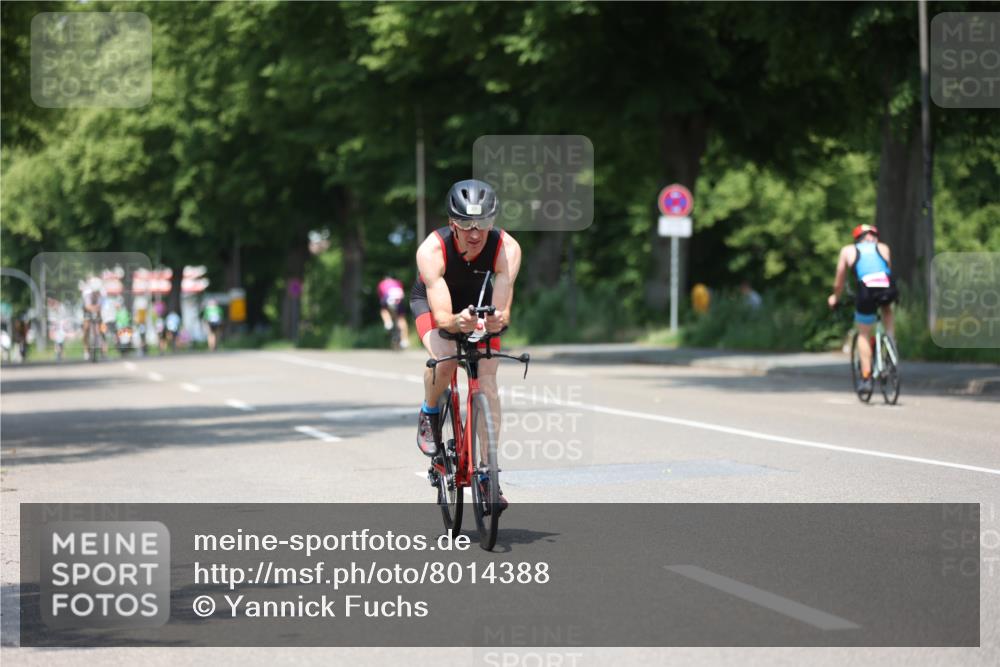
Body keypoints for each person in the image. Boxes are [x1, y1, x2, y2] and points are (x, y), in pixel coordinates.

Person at [410, 180, 522, 491]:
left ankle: (488, 470)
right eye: (465, 224)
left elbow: (502, 312)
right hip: (436, 303)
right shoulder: (431, 250)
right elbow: (444, 318)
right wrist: (457, 322)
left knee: (487, 381)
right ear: (451, 224)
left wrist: (496, 320)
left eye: (483, 224)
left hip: (480, 301)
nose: (475, 234)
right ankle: (429, 411)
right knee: (445, 360)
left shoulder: (507, 249)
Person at [828, 224, 898, 393]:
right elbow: (886, 270)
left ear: (857, 238)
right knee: (886, 309)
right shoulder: (883, 247)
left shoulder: (848, 250)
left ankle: (866, 377)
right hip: (887, 287)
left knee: (864, 334)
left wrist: (835, 297)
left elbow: (839, 279)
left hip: (866, 289)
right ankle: (891, 344)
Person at [377, 275, 409, 348]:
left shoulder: (382, 283)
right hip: (399, 298)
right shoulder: (397, 282)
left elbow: (381, 296)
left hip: (388, 297)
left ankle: (388, 322)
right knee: (401, 319)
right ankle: (405, 340)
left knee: (383, 310)